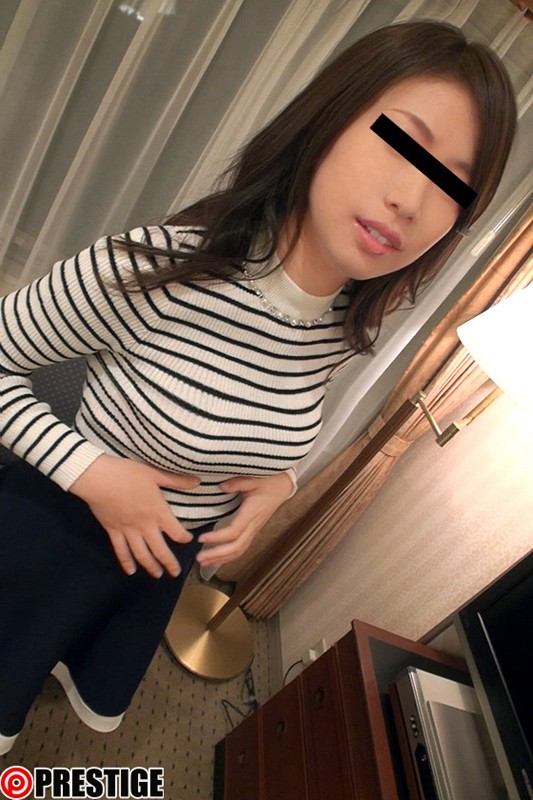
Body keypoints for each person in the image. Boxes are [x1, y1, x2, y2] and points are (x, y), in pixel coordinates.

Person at [0, 20, 516, 754]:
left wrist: (280, 483)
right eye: (400, 143)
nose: (410, 198)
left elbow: (265, 415)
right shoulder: (156, 267)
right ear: (327, 121)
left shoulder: (342, 319)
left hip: (150, 572)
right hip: (55, 542)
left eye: (450, 185)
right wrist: (97, 475)